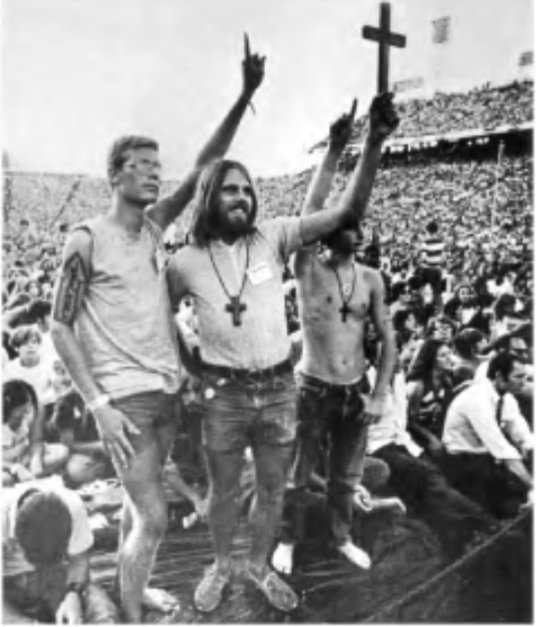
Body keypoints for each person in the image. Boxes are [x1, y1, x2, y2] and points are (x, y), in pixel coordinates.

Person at [50, 35, 265, 622]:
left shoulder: (152, 229)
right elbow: (59, 328)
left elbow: (202, 169)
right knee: (154, 516)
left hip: (166, 391)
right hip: (123, 400)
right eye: (140, 167)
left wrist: (243, 95)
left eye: (156, 167)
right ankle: (131, 616)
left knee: (133, 509)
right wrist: (98, 405)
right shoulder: (86, 239)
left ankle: (135, 590)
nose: (153, 175)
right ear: (114, 175)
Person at [166, 92, 399, 613]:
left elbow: (345, 211)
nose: (242, 197)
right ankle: (221, 565)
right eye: (230, 190)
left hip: (277, 388)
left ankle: (258, 564)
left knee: (273, 489)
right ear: (209, 197)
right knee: (225, 491)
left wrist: (373, 144)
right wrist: (190, 366)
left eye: (247, 190)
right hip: (225, 394)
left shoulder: (273, 238)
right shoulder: (185, 262)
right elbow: (161, 314)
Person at [271, 100, 397, 576]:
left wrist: (379, 392)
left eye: (358, 224)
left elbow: (388, 340)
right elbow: (311, 214)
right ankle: (288, 539)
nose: (355, 228)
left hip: (355, 390)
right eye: (345, 222)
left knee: (346, 475)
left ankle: (341, 537)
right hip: (313, 388)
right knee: (298, 475)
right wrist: (334, 151)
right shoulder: (306, 267)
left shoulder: (372, 278)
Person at [2, 479, 118, 623]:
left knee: (104, 612)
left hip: (56, 573)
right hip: (10, 582)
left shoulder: (72, 506)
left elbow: (79, 558)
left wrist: (74, 594)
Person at [442, 352, 533, 518]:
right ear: (499, 376)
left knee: (519, 495)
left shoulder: (505, 397)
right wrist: (532, 485)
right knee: (505, 510)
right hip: (463, 462)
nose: (523, 382)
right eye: (518, 377)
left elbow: (522, 433)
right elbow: (502, 450)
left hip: (485, 457)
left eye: (526, 377)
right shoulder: (477, 399)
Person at [3, 379, 69, 487]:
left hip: (24, 456)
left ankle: (27, 478)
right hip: (5, 463)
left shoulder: (34, 409)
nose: (27, 410)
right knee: (4, 480)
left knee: (62, 451)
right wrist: (14, 468)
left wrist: (36, 459)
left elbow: (36, 439)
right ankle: (19, 479)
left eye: (29, 405)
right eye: (21, 409)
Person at [406, 338, 454, 457]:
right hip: (419, 435)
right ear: (431, 359)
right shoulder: (418, 385)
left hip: (439, 429)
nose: (449, 358)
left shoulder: (447, 380)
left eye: (449, 353)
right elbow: (410, 421)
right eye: (443, 356)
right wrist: (431, 438)